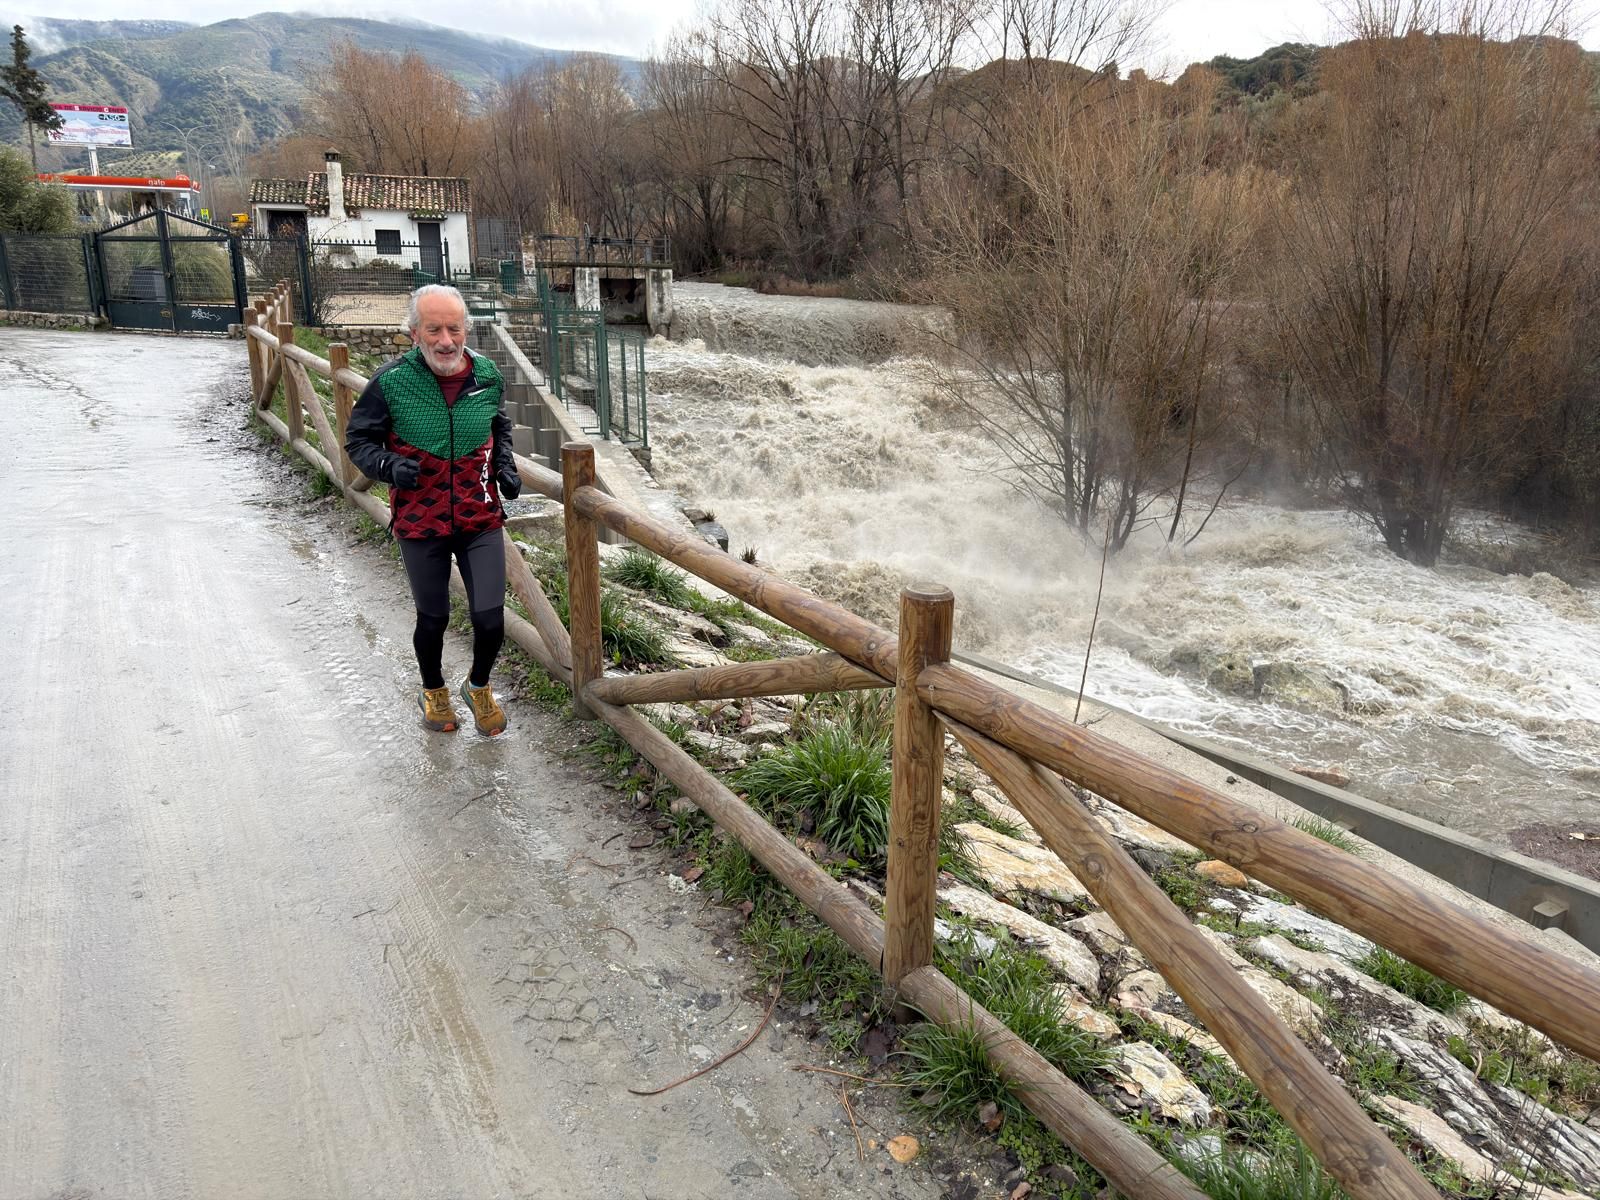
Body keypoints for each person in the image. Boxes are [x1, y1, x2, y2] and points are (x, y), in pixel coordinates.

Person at [344, 284, 522, 735]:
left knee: (490, 618)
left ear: (467, 329)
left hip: (480, 516)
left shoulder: (486, 375)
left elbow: (497, 424)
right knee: (434, 618)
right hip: (421, 521)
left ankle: (478, 686)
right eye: (434, 329)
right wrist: (388, 465)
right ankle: (434, 690)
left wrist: (503, 464)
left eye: (454, 328)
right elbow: (358, 442)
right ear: (413, 333)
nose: (446, 340)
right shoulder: (390, 383)